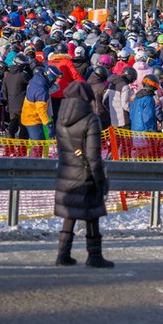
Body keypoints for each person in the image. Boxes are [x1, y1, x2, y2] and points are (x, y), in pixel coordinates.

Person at [54, 81, 113, 268]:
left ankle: (63, 255)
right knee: (92, 215)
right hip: (85, 174)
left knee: (69, 215)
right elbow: (93, 156)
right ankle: (94, 256)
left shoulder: (61, 118)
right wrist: (100, 179)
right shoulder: (90, 119)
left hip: (66, 172)